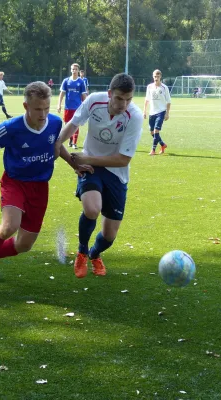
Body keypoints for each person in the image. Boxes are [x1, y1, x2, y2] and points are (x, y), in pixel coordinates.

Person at [0, 81, 93, 284]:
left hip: (40, 187)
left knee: (24, 245)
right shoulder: (11, 128)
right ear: (26, 107)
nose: (43, 114)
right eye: (38, 109)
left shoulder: (55, 123)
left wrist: (73, 165)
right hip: (15, 183)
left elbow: (56, 146)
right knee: (9, 227)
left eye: (46, 108)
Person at [55, 73, 143, 278]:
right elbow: (74, 124)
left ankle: (95, 254)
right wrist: (58, 142)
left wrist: (87, 158)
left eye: (128, 99)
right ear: (110, 93)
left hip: (115, 172)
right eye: (120, 98)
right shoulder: (95, 100)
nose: (124, 104)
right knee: (92, 209)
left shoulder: (135, 116)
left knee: (110, 235)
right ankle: (82, 252)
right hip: (91, 168)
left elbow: (123, 159)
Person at [57, 63, 87, 150]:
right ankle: (70, 139)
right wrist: (59, 105)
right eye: (72, 69)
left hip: (77, 107)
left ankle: (74, 143)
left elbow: (84, 95)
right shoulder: (66, 81)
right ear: (71, 70)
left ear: (78, 70)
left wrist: (86, 106)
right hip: (67, 107)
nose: (74, 71)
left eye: (75, 69)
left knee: (76, 125)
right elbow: (61, 94)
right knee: (67, 124)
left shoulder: (81, 82)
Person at [143, 69, 171, 155]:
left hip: (161, 112)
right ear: (153, 76)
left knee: (156, 131)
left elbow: (168, 101)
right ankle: (162, 144)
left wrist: (167, 113)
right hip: (152, 112)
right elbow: (147, 100)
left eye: (158, 76)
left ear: (160, 77)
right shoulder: (149, 87)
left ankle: (153, 150)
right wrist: (144, 111)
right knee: (152, 132)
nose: (156, 78)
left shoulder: (164, 87)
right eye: (155, 76)